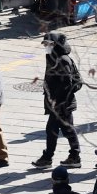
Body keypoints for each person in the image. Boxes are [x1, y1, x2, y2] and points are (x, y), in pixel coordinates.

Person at [33, 33, 82, 169]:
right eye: (45, 44)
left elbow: (67, 84)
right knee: (64, 130)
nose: (46, 46)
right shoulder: (53, 57)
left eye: (48, 44)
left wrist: (57, 102)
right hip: (58, 104)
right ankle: (72, 156)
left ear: (55, 45)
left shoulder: (62, 60)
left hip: (62, 105)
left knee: (56, 130)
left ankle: (50, 157)